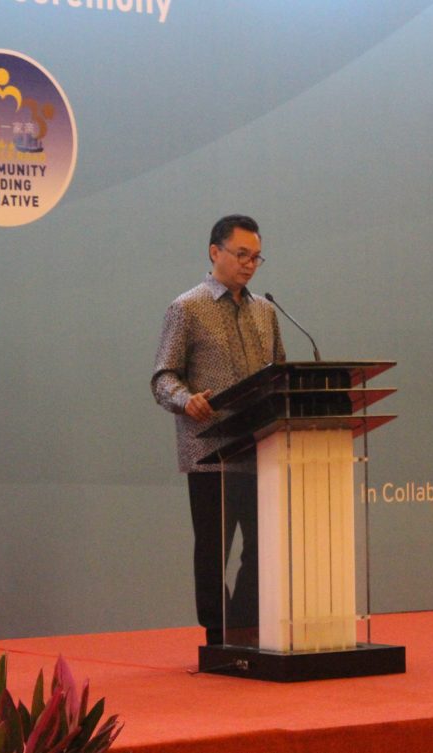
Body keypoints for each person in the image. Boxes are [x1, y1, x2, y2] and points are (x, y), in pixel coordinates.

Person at [151, 214, 285, 646]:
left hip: (259, 447)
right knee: (214, 550)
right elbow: (163, 377)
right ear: (215, 252)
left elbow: (280, 373)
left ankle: (244, 627)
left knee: (264, 546)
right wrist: (185, 399)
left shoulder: (266, 311)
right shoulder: (187, 308)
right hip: (210, 451)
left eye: (256, 257)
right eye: (241, 254)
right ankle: (217, 634)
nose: (249, 264)